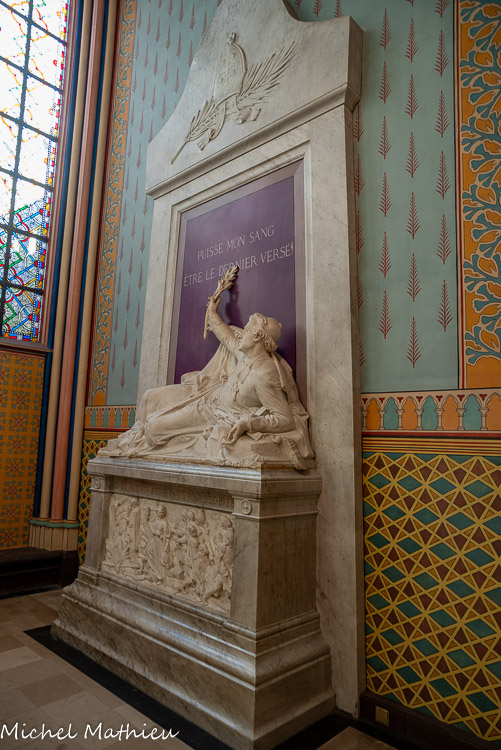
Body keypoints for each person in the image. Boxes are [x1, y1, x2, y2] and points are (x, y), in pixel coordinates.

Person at [103, 297, 314, 469]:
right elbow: (226, 336)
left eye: (247, 330)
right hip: (206, 395)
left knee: (154, 429)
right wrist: (212, 313)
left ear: (258, 337)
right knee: (151, 398)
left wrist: (249, 424)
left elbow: (284, 419)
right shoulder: (246, 356)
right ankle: (137, 435)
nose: (242, 334)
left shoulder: (264, 375)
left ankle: (147, 440)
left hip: (212, 415)